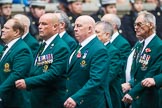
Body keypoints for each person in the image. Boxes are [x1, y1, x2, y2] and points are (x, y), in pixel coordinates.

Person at [15, 13, 70, 108]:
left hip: (50, 100)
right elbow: (36, 69)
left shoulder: (61, 47)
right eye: (39, 24)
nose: (40, 27)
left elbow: (53, 74)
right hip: (38, 98)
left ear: (55, 27)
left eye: (44, 24)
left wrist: (28, 82)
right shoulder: (43, 45)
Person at [63, 15, 111, 108]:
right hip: (73, 100)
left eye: (79, 26)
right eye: (75, 26)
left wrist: (76, 97)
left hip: (88, 102)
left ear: (89, 29)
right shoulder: (79, 46)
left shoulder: (99, 49)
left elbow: (96, 80)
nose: (75, 29)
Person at [122, 11, 162, 108]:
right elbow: (138, 72)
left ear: (151, 25)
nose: (135, 27)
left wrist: (132, 93)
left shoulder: (158, 46)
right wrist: (130, 84)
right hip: (137, 98)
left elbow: (151, 73)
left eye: (139, 24)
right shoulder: (140, 44)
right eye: (135, 24)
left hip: (149, 99)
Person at [0, 18, 33, 108]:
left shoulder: (22, 49)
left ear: (16, 32)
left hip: (16, 101)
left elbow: (17, 74)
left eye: (6, 28)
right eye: (3, 27)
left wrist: (0, 90)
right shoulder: (7, 48)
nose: (2, 30)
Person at [95, 21, 123, 108]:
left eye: (97, 32)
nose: (94, 35)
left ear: (107, 35)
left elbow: (110, 75)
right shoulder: (96, 49)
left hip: (110, 95)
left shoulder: (113, 51)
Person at [101, 14, 131, 83]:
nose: (101, 26)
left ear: (113, 26)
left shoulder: (123, 44)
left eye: (105, 23)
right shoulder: (102, 40)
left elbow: (122, 66)